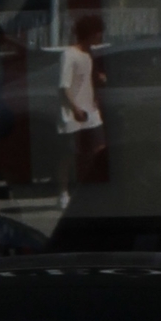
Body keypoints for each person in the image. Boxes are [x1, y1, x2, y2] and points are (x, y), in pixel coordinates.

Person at [56, 15, 107, 203]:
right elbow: (64, 86)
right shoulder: (69, 55)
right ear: (90, 34)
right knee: (68, 154)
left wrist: (99, 80)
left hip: (91, 112)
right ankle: (63, 193)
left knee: (98, 149)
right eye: (98, 32)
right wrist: (74, 108)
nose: (100, 36)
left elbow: (88, 79)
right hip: (71, 113)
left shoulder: (89, 54)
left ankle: (89, 189)